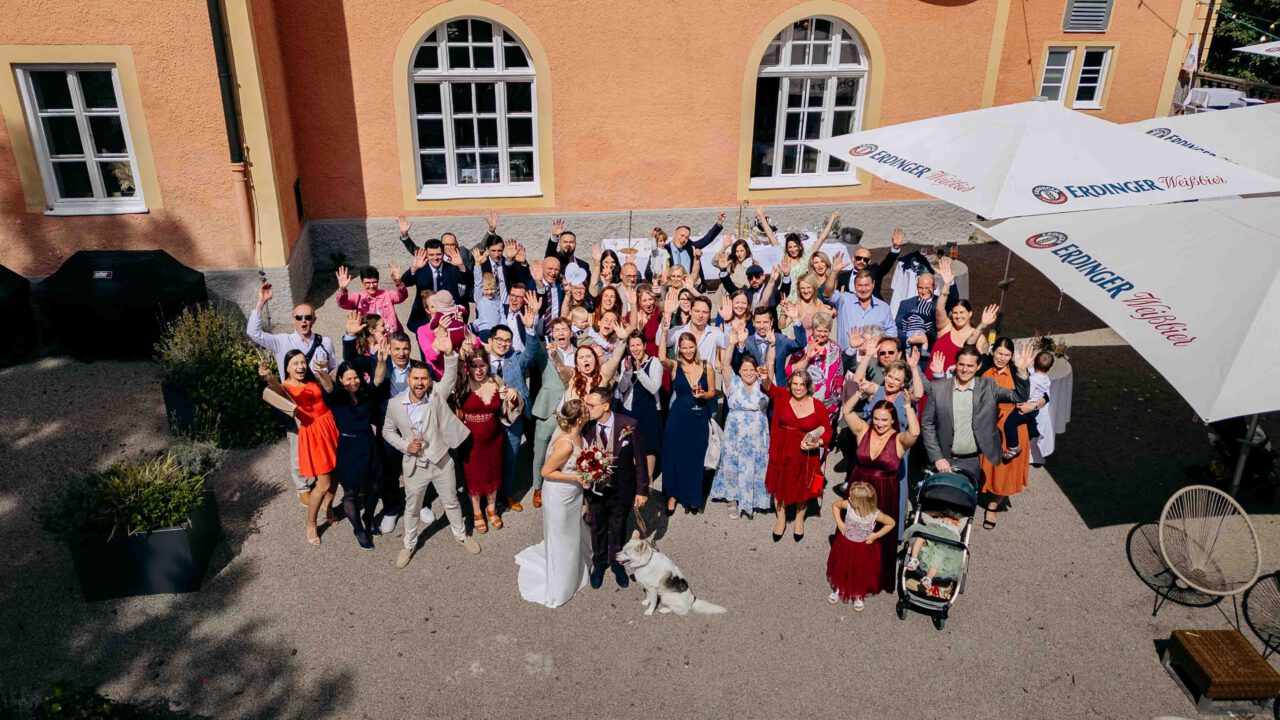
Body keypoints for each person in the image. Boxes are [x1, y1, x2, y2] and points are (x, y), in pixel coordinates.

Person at [382, 340, 483, 569]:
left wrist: (449, 352)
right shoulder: (395, 404)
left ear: (429, 381)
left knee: (451, 501)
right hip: (414, 465)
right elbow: (387, 431)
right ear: (408, 380)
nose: (420, 383)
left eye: (424, 379)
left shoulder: (437, 393)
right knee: (412, 507)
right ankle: (408, 544)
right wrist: (405, 445)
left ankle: (461, 535)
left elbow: (449, 376)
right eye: (415, 378)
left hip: (441, 461)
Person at [247, 283, 336, 505]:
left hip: (317, 402)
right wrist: (261, 302)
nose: (304, 321)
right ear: (293, 319)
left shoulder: (324, 342)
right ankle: (302, 487)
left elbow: (332, 367)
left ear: (314, 319)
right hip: (293, 403)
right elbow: (253, 333)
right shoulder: (282, 341)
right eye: (299, 317)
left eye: (308, 317)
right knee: (297, 446)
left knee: (320, 443)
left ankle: (321, 477)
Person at [921, 343, 1032, 502]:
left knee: (962, 504)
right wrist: (937, 457)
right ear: (956, 364)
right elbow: (927, 424)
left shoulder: (988, 386)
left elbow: (1019, 397)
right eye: (961, 364)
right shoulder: (938, 388)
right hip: (943, 458)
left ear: (978, 366)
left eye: (970, 366)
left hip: (971, 460)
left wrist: (1021, 371)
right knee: (936, 503)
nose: (965, 369)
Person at [515, 398, 594, 608]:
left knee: (570, 533)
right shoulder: (565, 445)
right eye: (586, 411)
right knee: (561, 537)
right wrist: (576, 478)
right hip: (559, 496)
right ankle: (561, 584)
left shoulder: (579, 435)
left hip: (572, 496)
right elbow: (546, 472)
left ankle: (573, 570)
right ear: (578, 420)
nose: (589, 413)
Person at [840, 395, 919, 592]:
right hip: (859, 486)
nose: (879, 423)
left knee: (877, 536)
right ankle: (850, 571)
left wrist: (908, 406)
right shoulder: (863, 430)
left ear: (893, 419)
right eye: (876, 418)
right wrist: (858, 393)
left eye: (884, 419)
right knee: (854, 531)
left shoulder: (899, 440)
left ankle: (872, 576)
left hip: (885, 492)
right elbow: (847, 412)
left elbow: (915, 432)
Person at [260, 350, 339, 546]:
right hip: (313, 434)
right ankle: (310, 524)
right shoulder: (286, 387)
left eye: (303, 362)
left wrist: (323, 373)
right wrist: (270, 378)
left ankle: (328, 508)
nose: (300, 367)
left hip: (329, 427)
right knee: (322, 484)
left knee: (337, 474)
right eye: (295, 363)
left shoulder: (312, 381)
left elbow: (330, 390)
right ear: (287, 367)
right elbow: (277, 391)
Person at [342, 327, 414, 534]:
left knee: (415, 469)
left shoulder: (418, 367)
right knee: (390, 471)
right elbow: (351, 361)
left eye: (405, 348)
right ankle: (391, 508)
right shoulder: (376, 362)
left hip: (413, 429)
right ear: (389, 349)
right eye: (397, 348)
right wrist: (350, 335)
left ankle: (420, 504)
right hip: (388, 428)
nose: (401, 353)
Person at [582, 388, 649, 589]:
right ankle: (599, 563)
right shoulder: (586, 427)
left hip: (622, 488)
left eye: (591, 405)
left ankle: (617, 562)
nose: (587, 409)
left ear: (605, 406)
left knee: (619, 527)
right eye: (586, 404)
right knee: (598, 527)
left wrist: (642, 490)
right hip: (596, 490)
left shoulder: (629, 425)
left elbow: (640, 460)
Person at [319, 356, 388, 549]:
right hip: (348, 448)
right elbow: (328, 387)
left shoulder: (365, 393)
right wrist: (323, 372)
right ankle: (358, 529)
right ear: (340, 380)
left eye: (355, 377)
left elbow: (378, 380)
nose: (353, 382)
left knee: (375, 486)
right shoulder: (336, 398)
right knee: (350, 492)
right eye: (348, 379)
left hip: (369, 444)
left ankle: (368, 517)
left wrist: (381, 362)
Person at [455, 348, 523, 534]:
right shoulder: (462, 383)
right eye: (474, 366)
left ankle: (491, 509)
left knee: (493, 474)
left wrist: (513, 396)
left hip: (494, 439)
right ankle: (477, 512)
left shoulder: (496, 381)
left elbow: (508, 409)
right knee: (474, 478)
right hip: (470, 442)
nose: (478, 370)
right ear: (469, 367)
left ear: (488, 365)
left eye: (482, 365)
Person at [978, 339, 1040, 529]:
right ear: (992, 351)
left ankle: (993, 505)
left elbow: (1044, 396)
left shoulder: (1018, 372)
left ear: (1012, 356)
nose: (1002, 358)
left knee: (1005, 471)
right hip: (987, 425)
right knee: (982, 466)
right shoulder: (983, 368)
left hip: (1011, 428)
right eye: (999, 353)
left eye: (1006, 355)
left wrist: (1034, 404)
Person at [483, 309, 541, 511]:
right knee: (488, 460)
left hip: (513, 418)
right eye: (499, 339)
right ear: (490, 340)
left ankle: (506, 494)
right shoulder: (481, 361)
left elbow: (531, 354)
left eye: (507, 340)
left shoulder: (515, 358)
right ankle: (487, 498)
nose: (503, 343)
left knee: (511, 458)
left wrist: (529, 328)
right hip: (488, 419)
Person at [765, 371, 832, 542]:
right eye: (794, 384)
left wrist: (817, 444)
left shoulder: (818, 406)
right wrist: (765, 375)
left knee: (804, 486)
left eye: (802, 384)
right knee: (780, 484)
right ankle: (781, 519)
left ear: (808, 386)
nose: (797, 388)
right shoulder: (782, 397)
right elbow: (768, 388)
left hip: (807, 454)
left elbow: (828, 431)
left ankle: (799, 518)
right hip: (783, 449)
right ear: (789, 384)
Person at [658, 321, 716, 515]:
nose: (688, 350)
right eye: (684, 348)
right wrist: (665, 332)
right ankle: (672, 495)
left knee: (695, 457)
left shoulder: (707, 366)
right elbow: (661, 358)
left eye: (691, 347)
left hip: (699, 418)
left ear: (695, 347)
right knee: (673, 455)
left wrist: (703, 396)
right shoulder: (675, 365)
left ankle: (692, 496)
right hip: (678, 417)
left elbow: (712, 392)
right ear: (679, 350)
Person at [710, 346, 772, 519]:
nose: (749, 372)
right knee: (733, 463)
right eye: (745, 369)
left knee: (756, 463)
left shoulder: (763, 383)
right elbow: (725, 364)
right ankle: (733, 499)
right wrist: (732, 343)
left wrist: (772, 345)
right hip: (736, 432)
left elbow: (771, 363)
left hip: (758, 433)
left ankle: (752, 498)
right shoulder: (733, 382)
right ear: (739, 370)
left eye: (752, 369)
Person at [826, 481, 896, 610]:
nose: (848, 498)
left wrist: (876, 535)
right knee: (843, 566)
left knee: (860, 570)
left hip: (862, 549)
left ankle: (858, 593)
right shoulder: (849, 506)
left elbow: (891, 522)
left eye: (851, 498)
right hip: (846, 545)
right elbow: (835, 505)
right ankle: (839, 588)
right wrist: (839, 522)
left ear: (861, 502)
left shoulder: (875, 514)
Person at [530, 317, 576, 510]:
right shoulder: (546, 351)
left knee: (566, 452)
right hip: (548, 411)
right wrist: (530, 325)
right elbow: (532, 346)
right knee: (539, 452)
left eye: (564, 329)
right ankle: (537, 488)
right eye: (556, 330)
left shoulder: (580, 353)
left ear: (570, 333)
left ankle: (563, 486)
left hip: (570, 414)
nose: (560, 333)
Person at [929, 258, 995, 379]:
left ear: (970, 314)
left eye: (962, 312)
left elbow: (983, 362)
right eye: (955, 313)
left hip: (955, 384)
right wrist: (947, 284)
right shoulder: (946, 327)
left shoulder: (978, 337)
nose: (958, 316)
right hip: (931, 378)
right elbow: (939, 308)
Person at [756, 206, 838, 300]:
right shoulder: (783, 256)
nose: (793, 249)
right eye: (790, 247)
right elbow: (770, 235)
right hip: (785, 295)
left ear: (800, 246)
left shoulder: (806, 257)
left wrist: (831, 220)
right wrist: (762, 216)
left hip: (803, 295)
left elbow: (822, 238)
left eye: (795, 246)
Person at [616, 330, 662, 478]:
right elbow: (622, 388)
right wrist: (628, 372)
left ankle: (647, 481)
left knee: (649, 447)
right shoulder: (626, 361)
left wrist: (640, 372)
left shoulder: (654, 362)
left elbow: (654, 387)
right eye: (632, 345)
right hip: (630, 408)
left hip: (649, 408)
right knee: (632, 445)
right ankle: (637, 480)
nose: (636, 348)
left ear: (644, 345)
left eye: (638, 345)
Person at [785, 311, 844, 422]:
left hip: (829, 406)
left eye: (826, 331)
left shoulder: (835, 348)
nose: (822, 334)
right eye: (819, 330)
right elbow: (790, 372)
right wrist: (807, 357)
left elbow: (839, 374)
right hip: (804, 402)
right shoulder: (802, 345)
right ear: (813, 329)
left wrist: (837, 395)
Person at [734, 304, 806, 385]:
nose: (761, 326)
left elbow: (800, 343)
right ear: (753, 322)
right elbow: (736, 364)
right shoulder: (746, 341)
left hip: (778, 387)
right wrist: (740, 345)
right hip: (753, 388)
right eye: (758, 322)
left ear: (771, 322)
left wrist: (795, 319)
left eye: (765, 322)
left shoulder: (781, 340)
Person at [402, 239, 465, 331]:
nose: (435, 258)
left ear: (443, 254)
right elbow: (404, 283)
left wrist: (461, 266)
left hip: (449, 317)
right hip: (424, 317)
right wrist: (414, 268)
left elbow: (468, 280)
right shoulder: (421, 268)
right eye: (431, 255)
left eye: (438, 254)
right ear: (426, 255)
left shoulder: (452, 268)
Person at [1001, 350, 1053, 462]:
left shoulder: (1033, 380)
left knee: (1010, 423)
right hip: (1034, 410)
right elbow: (1044, 395)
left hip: (1026, 408)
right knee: (1030, 419)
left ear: (1034, 363)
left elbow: (1026, 394)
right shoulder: (1046, 379)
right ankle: (1034, 430)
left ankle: (1013, 447)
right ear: (1050, 368)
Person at [831, 270, 897, 352]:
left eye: (866, 285)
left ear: (873, 284)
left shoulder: (884, 308)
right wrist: (834, 272)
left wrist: (878, 344)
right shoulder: (844, 300)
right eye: (860, 285)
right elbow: (827, 294)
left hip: (873, 358)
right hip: (846, 358)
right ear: (854, 286)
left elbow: (892, 334)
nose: (863, 289)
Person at [833, 227, 906, 301]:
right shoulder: (843, 276)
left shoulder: (874, 271)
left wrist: (895, 248)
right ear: (853, 258)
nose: (862, 261)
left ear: (869, 262)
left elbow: (886, 264)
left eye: (865, 259)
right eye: (858, 258)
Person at [335, 264, 408, 334]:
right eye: (367, 283)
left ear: (378, 281)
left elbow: (402, 296)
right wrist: (342, 289)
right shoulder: (358, 298)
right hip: (370, 340)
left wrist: (398, 282)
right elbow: (343, 302)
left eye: (374, 282)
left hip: (393, 336)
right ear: (362, 282)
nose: (371, 286)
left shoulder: (387, 294)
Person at [894, 272, 937, 373]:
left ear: (934, 287)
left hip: (929, 356)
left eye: (927, 288)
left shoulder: (939, 304)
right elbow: (897, 327)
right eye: (920, 288)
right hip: (907, 355)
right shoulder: (906, 304)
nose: (923, 291)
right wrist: (909, 339)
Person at [661, 213, 726, 273]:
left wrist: (719, 223)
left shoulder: (691, 248)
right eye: (682, 235)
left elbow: (706, 240)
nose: (684, 239)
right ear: (674, 234)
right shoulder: (664, 249)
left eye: (687, 237)